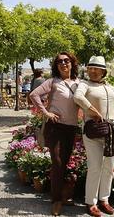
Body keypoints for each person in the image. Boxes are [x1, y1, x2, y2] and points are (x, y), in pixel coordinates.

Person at [74, 56, 114, 217]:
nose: (92, 71)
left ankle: (104, 200)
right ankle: (90, 202)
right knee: (95, 167)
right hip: (93, 130)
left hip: (112, 130)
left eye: (96, 68)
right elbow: (77, 97)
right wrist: (93, 111)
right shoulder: (84, 84)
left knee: (108, 166)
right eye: (90, 68)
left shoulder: (109, 87)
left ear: (103, 71)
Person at [29, 52, 80, 216]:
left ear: (72, 63)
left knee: (63, 162)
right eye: (59, 62)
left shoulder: (79, 83)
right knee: (57, 162)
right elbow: (34, 94)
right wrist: (45, 113)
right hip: (55, 127)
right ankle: (56, 200)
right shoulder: (53, 82)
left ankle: (63, 195)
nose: (63, 63)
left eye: (66, 60)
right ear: (56, 66)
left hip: (71, 128)